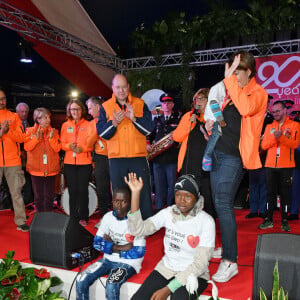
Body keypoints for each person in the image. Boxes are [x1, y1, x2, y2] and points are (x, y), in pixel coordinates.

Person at [204, 50, 268, 282]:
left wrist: (228, 80)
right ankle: (226, 246)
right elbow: (223, 115)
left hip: (234, 157)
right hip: (218, 153)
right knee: (220, 204)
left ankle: (230, 261)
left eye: (236, 71)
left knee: (223, 203)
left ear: (248, 71)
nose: (233, 76)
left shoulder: (258, 93)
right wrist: (212, 124)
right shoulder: (233, 93)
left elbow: (245, 110)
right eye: (231, 72)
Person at [127, 173, 215, 300]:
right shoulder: (168, 213)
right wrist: (135, 194)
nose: (181, 200)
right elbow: (138, 230)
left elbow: (200, 264)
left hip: (195, 274)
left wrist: (169, 288)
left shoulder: (206, 221)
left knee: (178, 297)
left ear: (196, 197)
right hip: (167, 268)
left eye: (187, 196)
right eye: (178, 195)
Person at [97, 74, 155, 219]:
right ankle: (121, 223)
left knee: (143, 192)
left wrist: (134, 118)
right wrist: (114, 123)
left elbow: (149, 129)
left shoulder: (140, 103)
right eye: (118, 87)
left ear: (128, 87)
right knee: (120, 193)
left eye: (123, 87)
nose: (121, 90)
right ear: (113, 88)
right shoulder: (106, 107)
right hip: (117, 158)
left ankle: (145, 223)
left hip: (138, 157)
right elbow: (102, 133)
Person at [76, 185, 146, 300]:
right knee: (81, 279)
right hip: (108, 259)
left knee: (111, 284)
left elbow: (138, 252)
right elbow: (97, 243)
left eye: (123, 202)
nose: (119, 205)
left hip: (129, 262)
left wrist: (109, 246)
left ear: (128, 203)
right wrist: (120, 247)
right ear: (112, 201)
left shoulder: (136, 221)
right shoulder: (108, 217)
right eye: (116, 201)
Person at [173, 88, 215, 218]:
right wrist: (189, 123)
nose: (198, 101)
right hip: (188, 164)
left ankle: (208, 224)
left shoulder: (212, 117)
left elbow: (216, 139)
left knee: (207, 196)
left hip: (205, 166)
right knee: (187, 195)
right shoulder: (188, 116)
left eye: (202, 98)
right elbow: (177, 137)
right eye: (196, 99)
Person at [258, 101, 300, 232]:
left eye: (277, 111)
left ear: (284, 110)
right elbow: (263, 146)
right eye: (273, 111)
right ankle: (268, 219)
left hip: (286, 166)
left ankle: (284, 220)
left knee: (285, 194)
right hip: (270, 165)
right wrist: (275, 138)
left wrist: (281, 137)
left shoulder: (294, 125)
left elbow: (294, 144)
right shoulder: (269, 126)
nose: (275, 114)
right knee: (269, 193)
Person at [61, 99, 92, 226]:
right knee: (72, 190)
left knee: (83, 190)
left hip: (85, 162)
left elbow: (91, 144)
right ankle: (73, 216)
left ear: (82, 110)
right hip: (69, 163)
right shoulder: (65, 125)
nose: (75, 111)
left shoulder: (88, 124)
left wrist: (82, 149)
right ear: (69, 111)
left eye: (78, 109)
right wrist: (69, 146)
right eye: (73, 109)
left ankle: (84, 216)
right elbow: (61, 144)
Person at [0, 89, 28, 231]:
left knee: (16, 192)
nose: (2, 102)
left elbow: (21, 137)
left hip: (13, 161)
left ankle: (21, 221)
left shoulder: (14, 116)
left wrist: (8, 131)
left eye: (3, 99)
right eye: (0, 99)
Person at [24, 108, 61, 212]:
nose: (48, 119)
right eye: (45, 117)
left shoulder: (54, 132)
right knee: (39, 197)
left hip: (51, 170)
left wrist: (51, 138)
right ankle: (40, 218)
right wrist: (37, 138)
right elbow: (27, 147)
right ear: (38, 119)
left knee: (49, 197)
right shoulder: (29, 131)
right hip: (36, 170)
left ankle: (48, 218)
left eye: (48, 117)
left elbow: (57, 148)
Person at [148, 93, 180, 212]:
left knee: (171, 186)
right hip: (158, 158)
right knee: (159, 185)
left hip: (171, 158)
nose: (166, 105)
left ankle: (171, 209)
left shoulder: (178, 120)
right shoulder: (156, 120)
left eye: (168, 102)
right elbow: (149, 137)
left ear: (172, 104)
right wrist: (148, 145)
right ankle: (159, 209)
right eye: (164, 103)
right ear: (161, 105)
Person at [86, 96, 111, 228]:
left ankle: (121, 218)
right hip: (100, 159)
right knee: (102, 189)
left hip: (115, 157)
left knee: (118, 189)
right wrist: (97, 128)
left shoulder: (112, 118)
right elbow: (89, 143)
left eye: (90, 108)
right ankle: (104, 218)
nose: (89, 112)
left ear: (98, 107)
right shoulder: (92, 124)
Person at [16, 102, 34, 208]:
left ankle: (28, 202)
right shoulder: (13, 125)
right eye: (22, 112)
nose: (24, 114)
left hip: (29, 158)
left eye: (26, 112)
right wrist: (20, 152)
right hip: (16, 158)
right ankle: (16, 205)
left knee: (28, 181)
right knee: (17, 183)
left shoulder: (31, 124)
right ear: (17, 112)